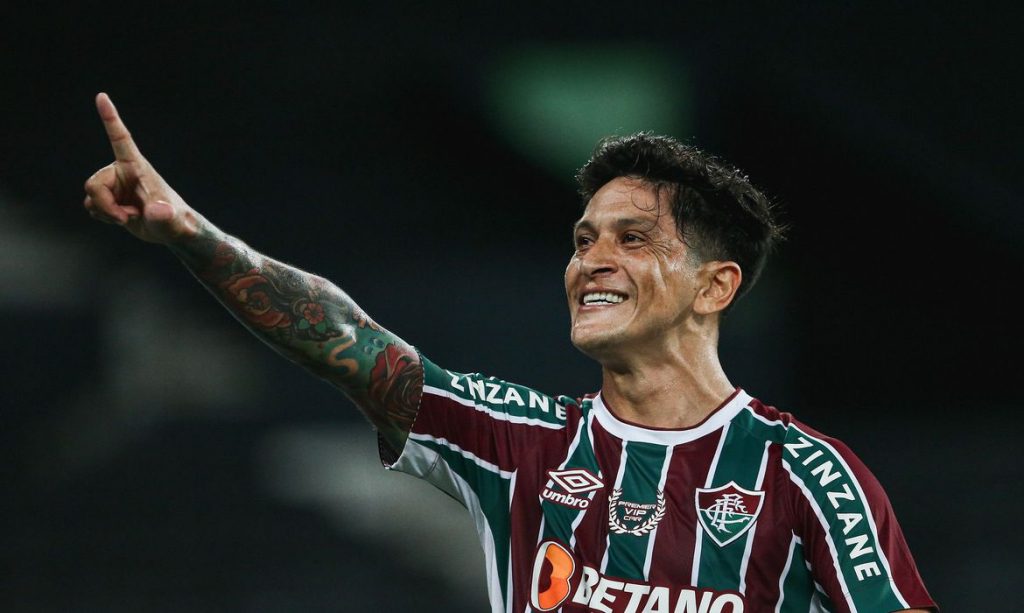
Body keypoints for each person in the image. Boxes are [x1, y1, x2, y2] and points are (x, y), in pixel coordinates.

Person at [83, 92, 936, 613]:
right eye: (583, 238)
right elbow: (345, 339)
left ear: (714, 286)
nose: (591, 260)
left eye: (633, 238)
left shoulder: (806, 474)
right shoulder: (521, 438)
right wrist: (188, 232)